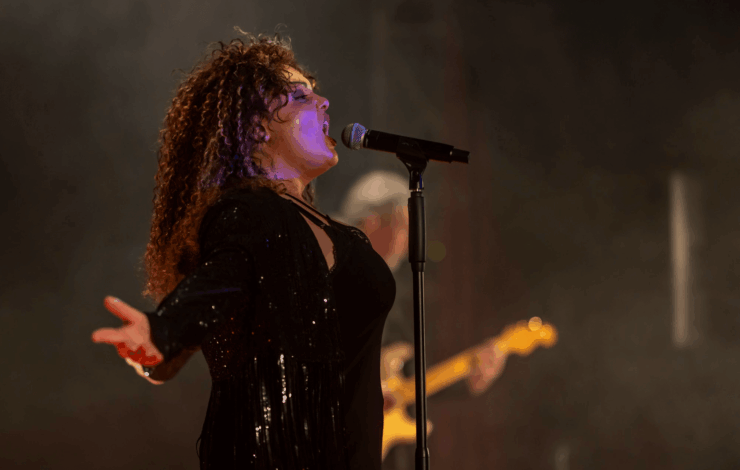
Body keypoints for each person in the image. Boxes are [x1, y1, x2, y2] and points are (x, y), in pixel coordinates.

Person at [91, 28, 396, 470]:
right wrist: (163, 331)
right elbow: (220, 279)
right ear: (257, 127)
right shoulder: (250, 213)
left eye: (315, 92)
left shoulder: (331, 231)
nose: (323, 101)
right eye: (300, 96)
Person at [332, 170, 508, 468]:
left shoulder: (392, 293)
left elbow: (406, 380)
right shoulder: (328, 272)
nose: (407, 244)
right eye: (402, 228)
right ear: (371, 222)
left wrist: (466, 379)